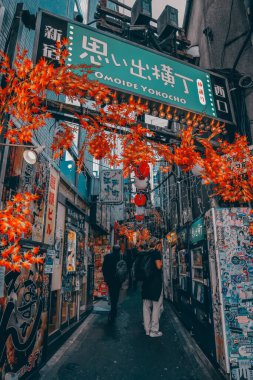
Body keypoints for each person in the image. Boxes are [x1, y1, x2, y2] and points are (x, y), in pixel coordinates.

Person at [142, 238, 163, 338]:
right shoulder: (156, 253)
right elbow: (158, 266)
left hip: (146, 284)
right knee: (156, 307)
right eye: (160, 245)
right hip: (155, 284)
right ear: (157, 245)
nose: (161, 247)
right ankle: (154, 331)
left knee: (146, 307)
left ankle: (147, 329)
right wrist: (162, 263)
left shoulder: (144, 254)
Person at [102, 245, 122, 322]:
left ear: (112, 249)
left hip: (110, 279)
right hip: (118, 279)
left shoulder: (107, 256)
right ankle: (114, 309)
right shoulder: (121, 257)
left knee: (111, 293)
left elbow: (104, 268)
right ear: (119, 250)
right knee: (116, 294)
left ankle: (113, 309)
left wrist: (106, 278)